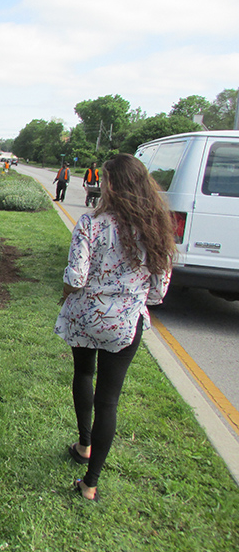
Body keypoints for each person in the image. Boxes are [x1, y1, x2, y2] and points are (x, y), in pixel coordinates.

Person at [54, 154, 176, 501]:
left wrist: (67, 294)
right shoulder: (156, 228)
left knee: (83, 375)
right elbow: (157, 292)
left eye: (104, 180)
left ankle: (83, 444)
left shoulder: (91, 224)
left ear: (111, 185)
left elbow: (75, 278)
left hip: (86, 317)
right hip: (123, 324)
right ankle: (90, 485)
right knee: (109, 401)